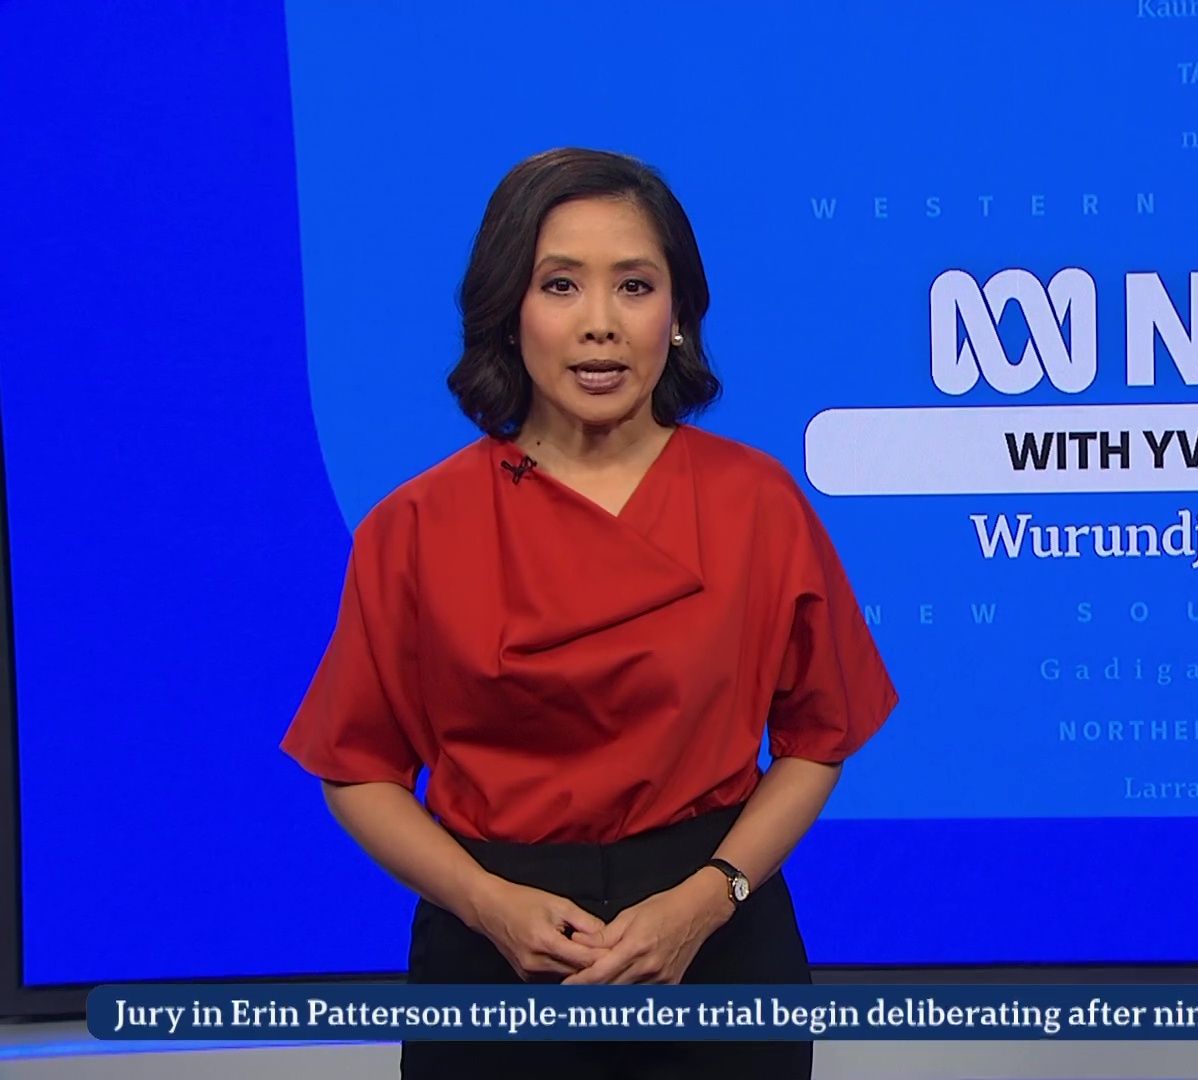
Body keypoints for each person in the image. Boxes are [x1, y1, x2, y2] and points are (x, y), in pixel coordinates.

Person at [281, 147, 897, 1079]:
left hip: (717, 944)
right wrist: (485, 904)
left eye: (635, 286)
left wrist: (709, 897)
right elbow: (357, 768)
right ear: (509, 311)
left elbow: (819, 739)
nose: (600, 324)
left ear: (678, 316)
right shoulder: (414, 527)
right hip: (492, 955)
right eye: (560, 285)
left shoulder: (759, 505)